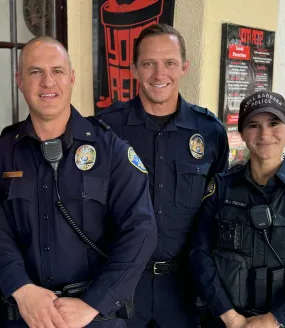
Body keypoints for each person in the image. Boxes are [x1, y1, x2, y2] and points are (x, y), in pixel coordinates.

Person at [0, 36, 157, 328]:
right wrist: (21, 288)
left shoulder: (112, 150)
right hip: (25, 314)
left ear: (71, 78)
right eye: (35, 72)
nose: (48, 82)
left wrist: (93, 303)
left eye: (57, 71)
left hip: (95, 317)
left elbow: (141, 232)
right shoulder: (0, 153)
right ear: (19, 80)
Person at [96, 23, 229, 328]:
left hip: (184, 289)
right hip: (119, 286)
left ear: (184, 67)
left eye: (169, 63)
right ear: (133, 69)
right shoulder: (105, 130)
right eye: (148, 64)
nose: (159, 74)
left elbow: (216, 214)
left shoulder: (209, 132)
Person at [190, 91, 285, 328]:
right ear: (241, 133)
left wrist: (273, 320)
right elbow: (199, 254)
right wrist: (230, 317)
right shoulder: (221, 187)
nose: (264, 134)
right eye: (253, 125)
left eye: (274, 123)